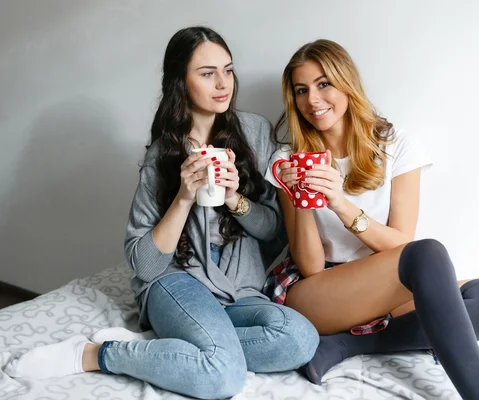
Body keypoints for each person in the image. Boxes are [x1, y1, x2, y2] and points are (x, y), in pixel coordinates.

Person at [5, 27, 318, 400]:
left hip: (241, 288)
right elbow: (146, 266)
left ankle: (188, 342)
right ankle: (98, 353)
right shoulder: (163, 154)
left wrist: (235, 199)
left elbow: (275, 233)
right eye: (207, 73)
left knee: (300, 339)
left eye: (228, 70)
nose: (223, 83)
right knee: (222, 375)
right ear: (180, 83)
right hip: (177, 280)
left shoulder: (255, 132)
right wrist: (184, 197)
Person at [264, 39, 479, 400]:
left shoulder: (396, 144)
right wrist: (301, 197)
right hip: (319, 290)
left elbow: (401, 243)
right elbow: (311, 266)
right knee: (428, 253)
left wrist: (341, 204)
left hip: (382, 281)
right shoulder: (288, 159)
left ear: (346, 83)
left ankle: (348, 345)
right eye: (301, 90)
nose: (313, 100)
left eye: (324, 84)